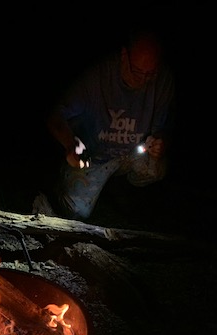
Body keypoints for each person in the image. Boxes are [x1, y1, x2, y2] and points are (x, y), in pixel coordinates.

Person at [42, 28, 175, 221]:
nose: (144, 81)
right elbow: (56, 115)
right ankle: (67, 179)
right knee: (76, 211)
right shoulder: (97, 77)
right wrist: (71, 144)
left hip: (132, 153)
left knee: (156, 168)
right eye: (138, 72)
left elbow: (164, 129)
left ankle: (120, 186)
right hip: (94, 155)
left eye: (150, 74)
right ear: (124, 56)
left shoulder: (163, 80)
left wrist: (161, 143)